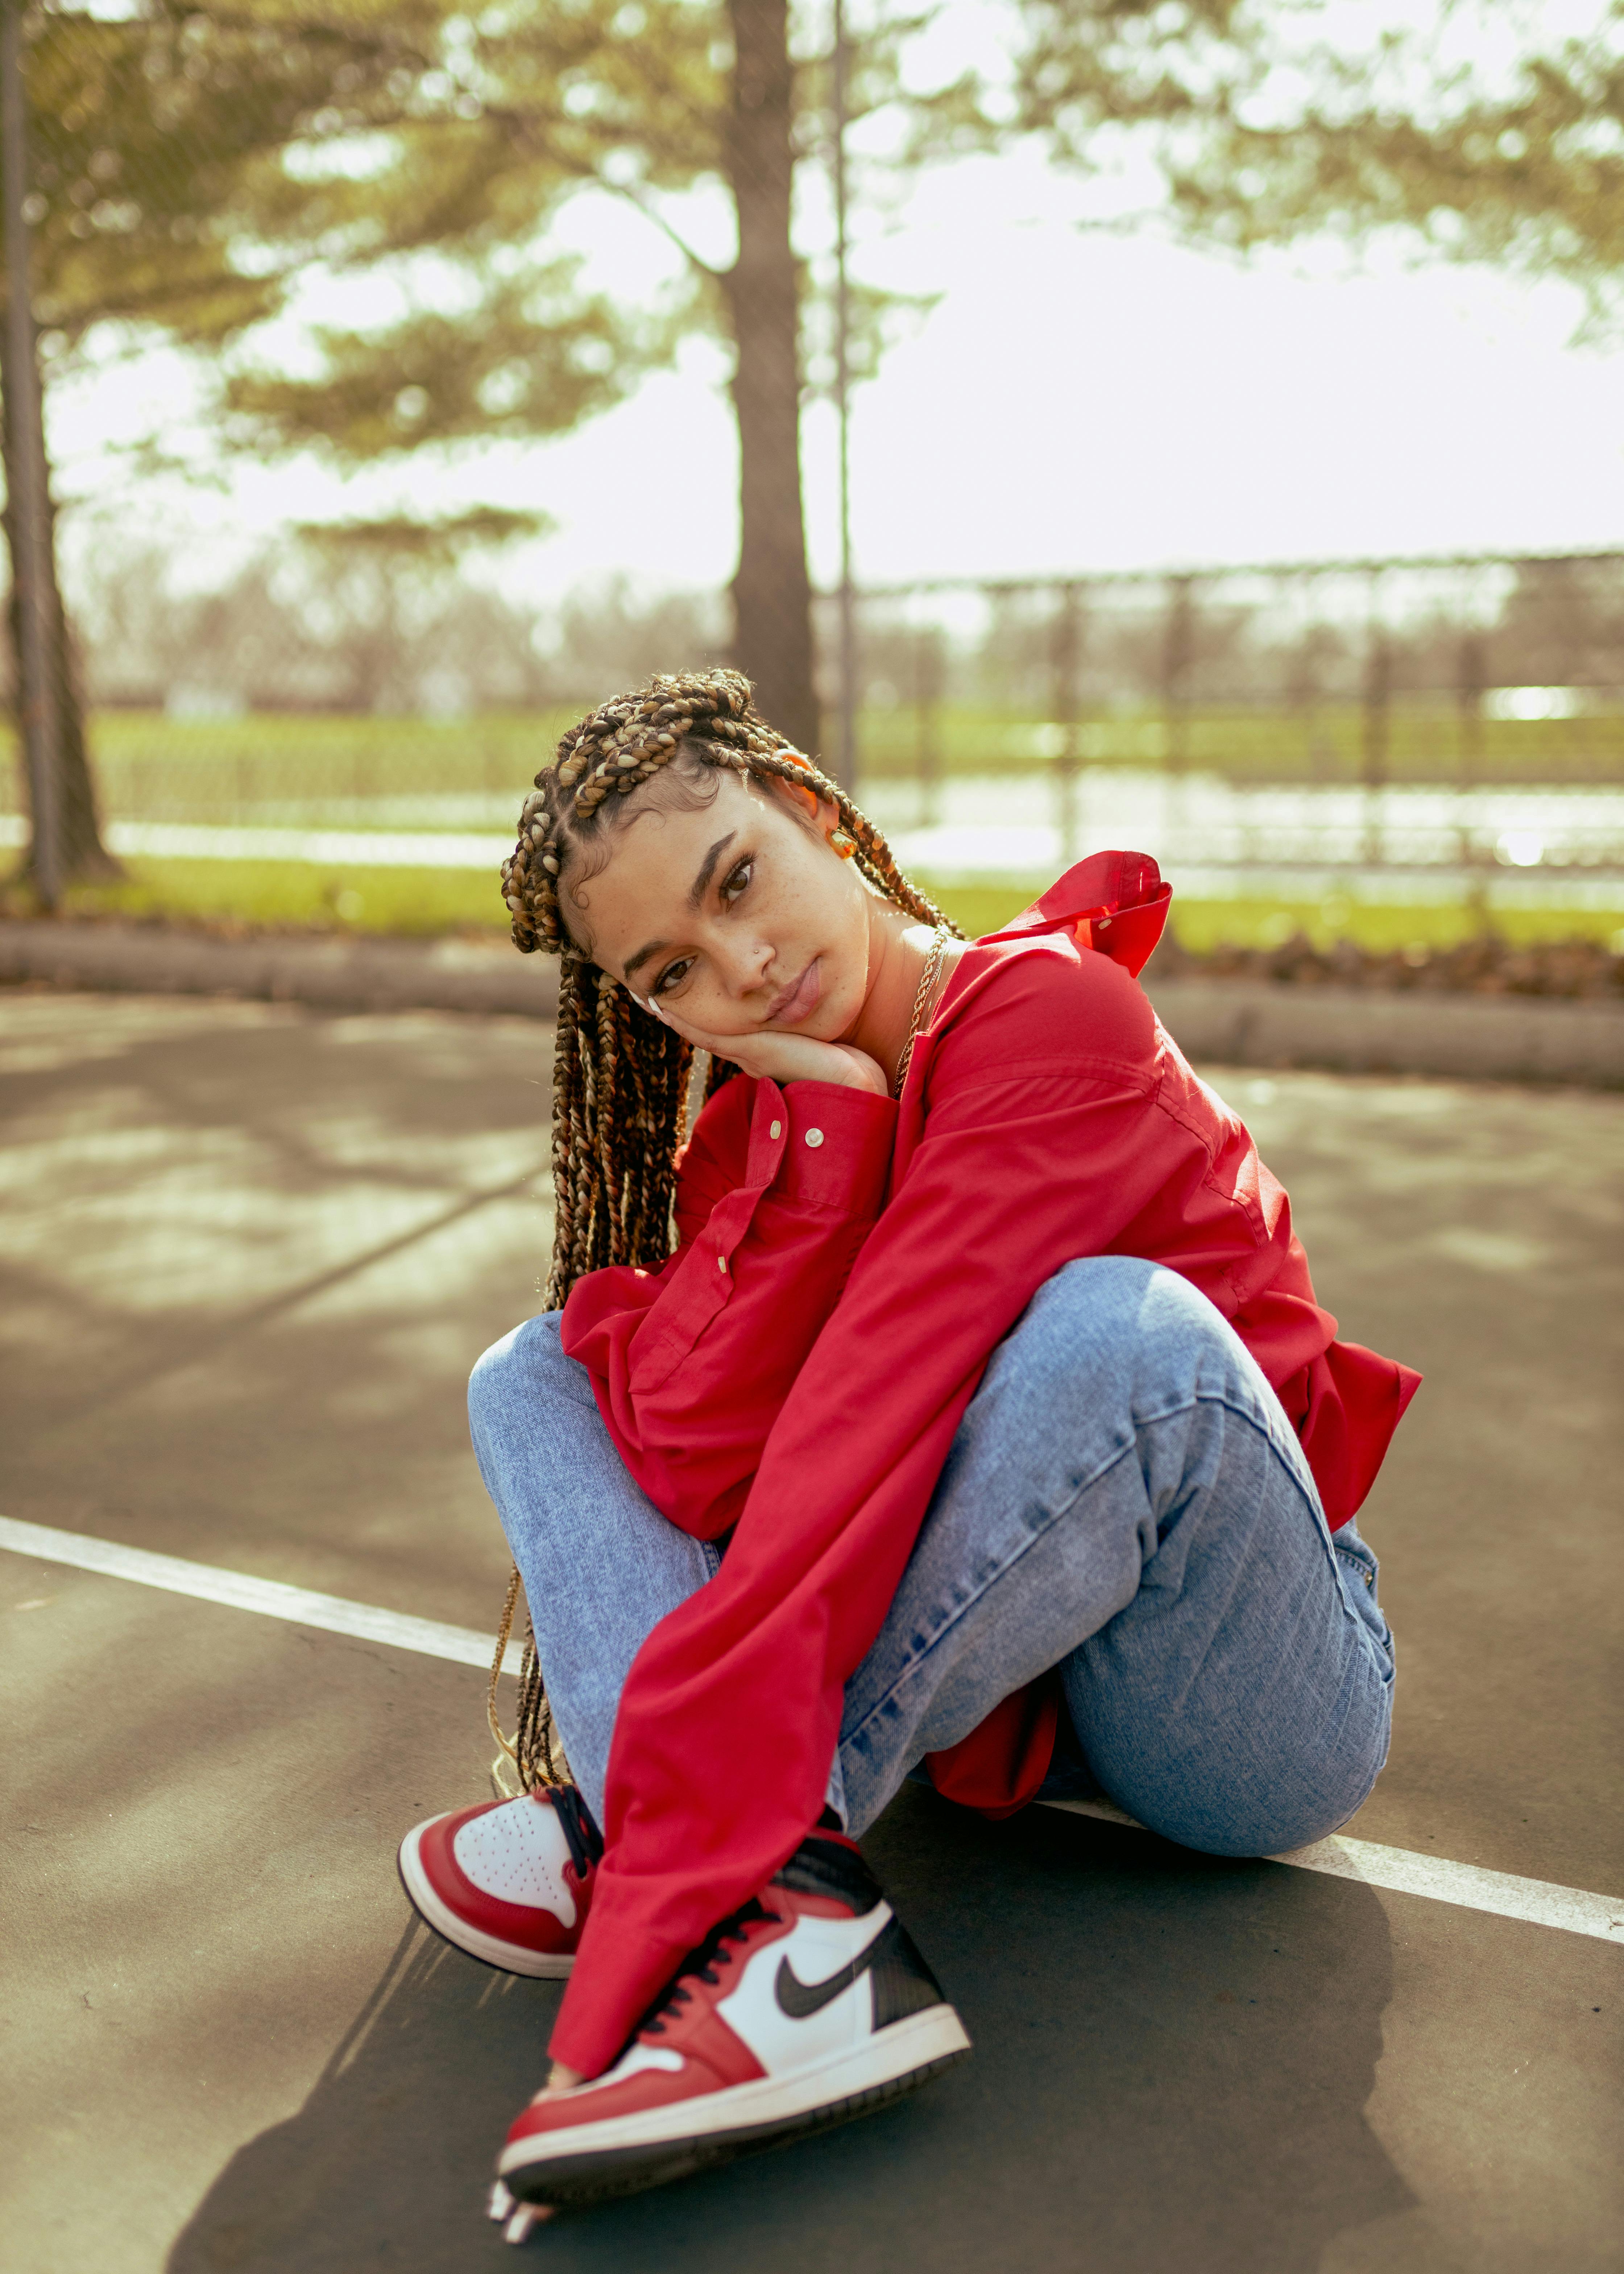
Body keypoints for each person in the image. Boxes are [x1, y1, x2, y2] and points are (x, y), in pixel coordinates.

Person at [396, 668, 1418, 2236]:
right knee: (536, 1371)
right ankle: (725, 1869)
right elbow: (700, 1458)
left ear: (815, 814)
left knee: (1112, 1334)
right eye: (674, 969)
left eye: (739, 879)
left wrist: (675, 1796)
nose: (740, 968)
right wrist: (827, 1141)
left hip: (1241, 1698)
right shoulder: (769, 1118)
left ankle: (715, 1892)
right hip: (1004, 1701)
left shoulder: (1050, 1014)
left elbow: (860, 1428)